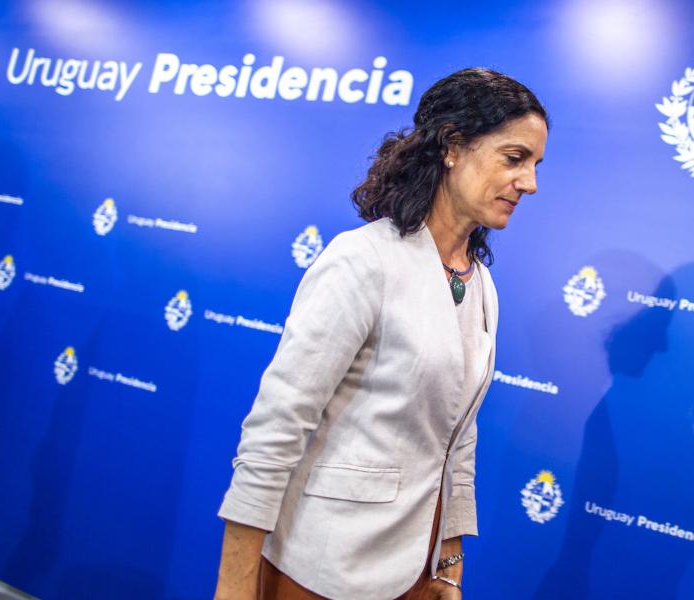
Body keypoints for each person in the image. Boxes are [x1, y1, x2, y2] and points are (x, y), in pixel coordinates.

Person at [214, 67, 548, 600]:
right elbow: (275, 430)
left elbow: (458, 442)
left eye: (534, 164)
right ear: (453, 147)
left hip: (414, 577)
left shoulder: (480, 282)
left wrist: (448, 565)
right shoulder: (362, 260)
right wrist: (234, 586)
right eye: (514, 159)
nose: (529, 182)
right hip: (323, 572)